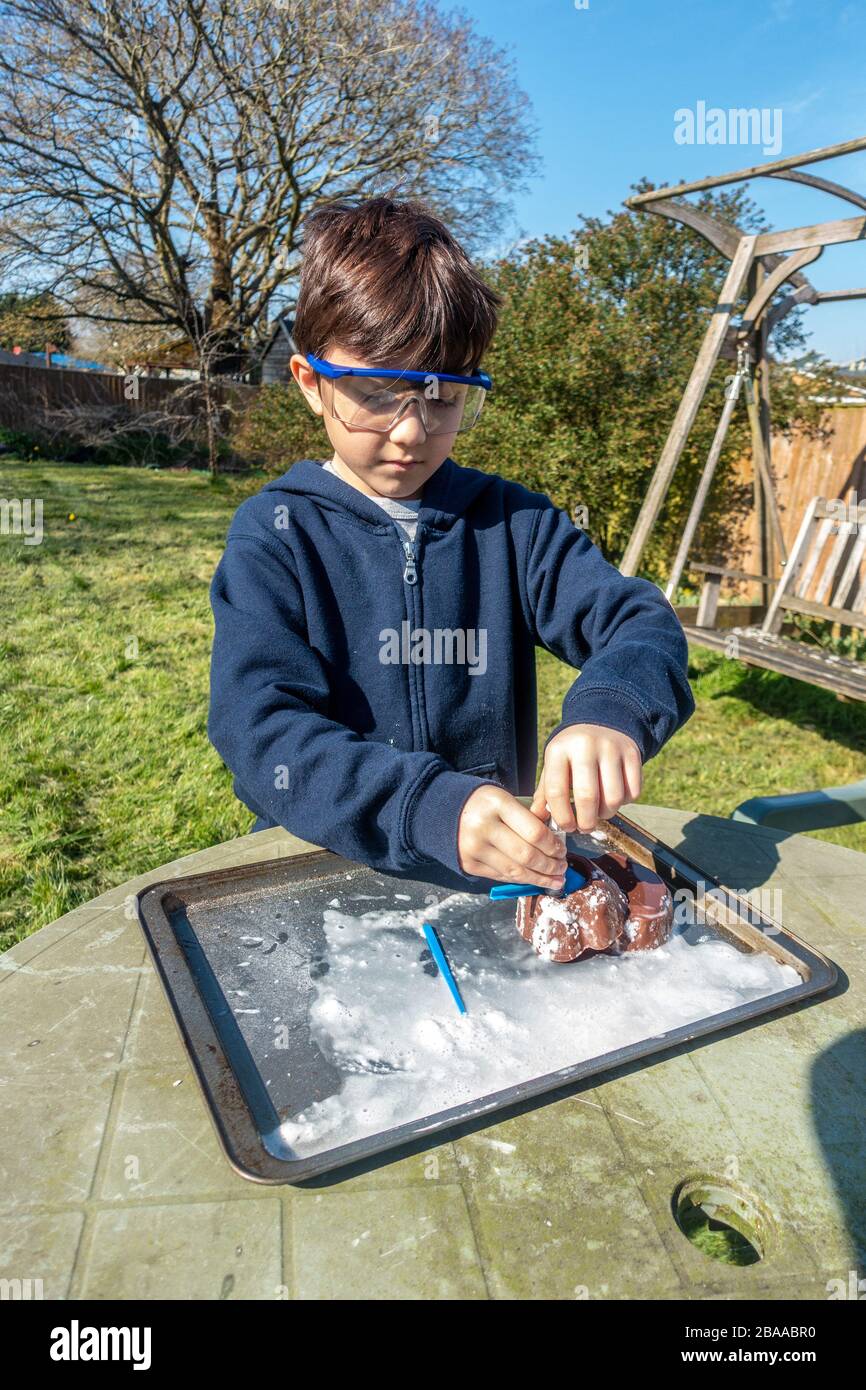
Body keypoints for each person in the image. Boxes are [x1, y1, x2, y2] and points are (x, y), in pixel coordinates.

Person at [207, 195, 695, 894]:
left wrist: (612, 711)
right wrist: (426, 807)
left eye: (443, 398)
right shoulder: (276, 536)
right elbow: (260, 728)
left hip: (500, 882)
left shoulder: (513, 523)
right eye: (377, 392)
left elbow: (640, 623)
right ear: (312, 383)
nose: (411, 432)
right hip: (322, 871)